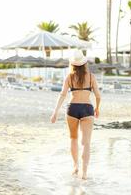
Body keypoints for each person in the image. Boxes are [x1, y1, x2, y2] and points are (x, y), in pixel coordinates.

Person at [50, 50, 101, 180]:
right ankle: (84, 173)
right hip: (87, 109)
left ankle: (75, 166)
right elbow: (98, 96)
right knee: (86, 143)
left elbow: (62, 94)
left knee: (73, 139)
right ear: (84, 64)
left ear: (72, 64)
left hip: (72, 108)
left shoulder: (69, 77)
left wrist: (55, 111)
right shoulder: (91, 77)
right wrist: (97, 108)